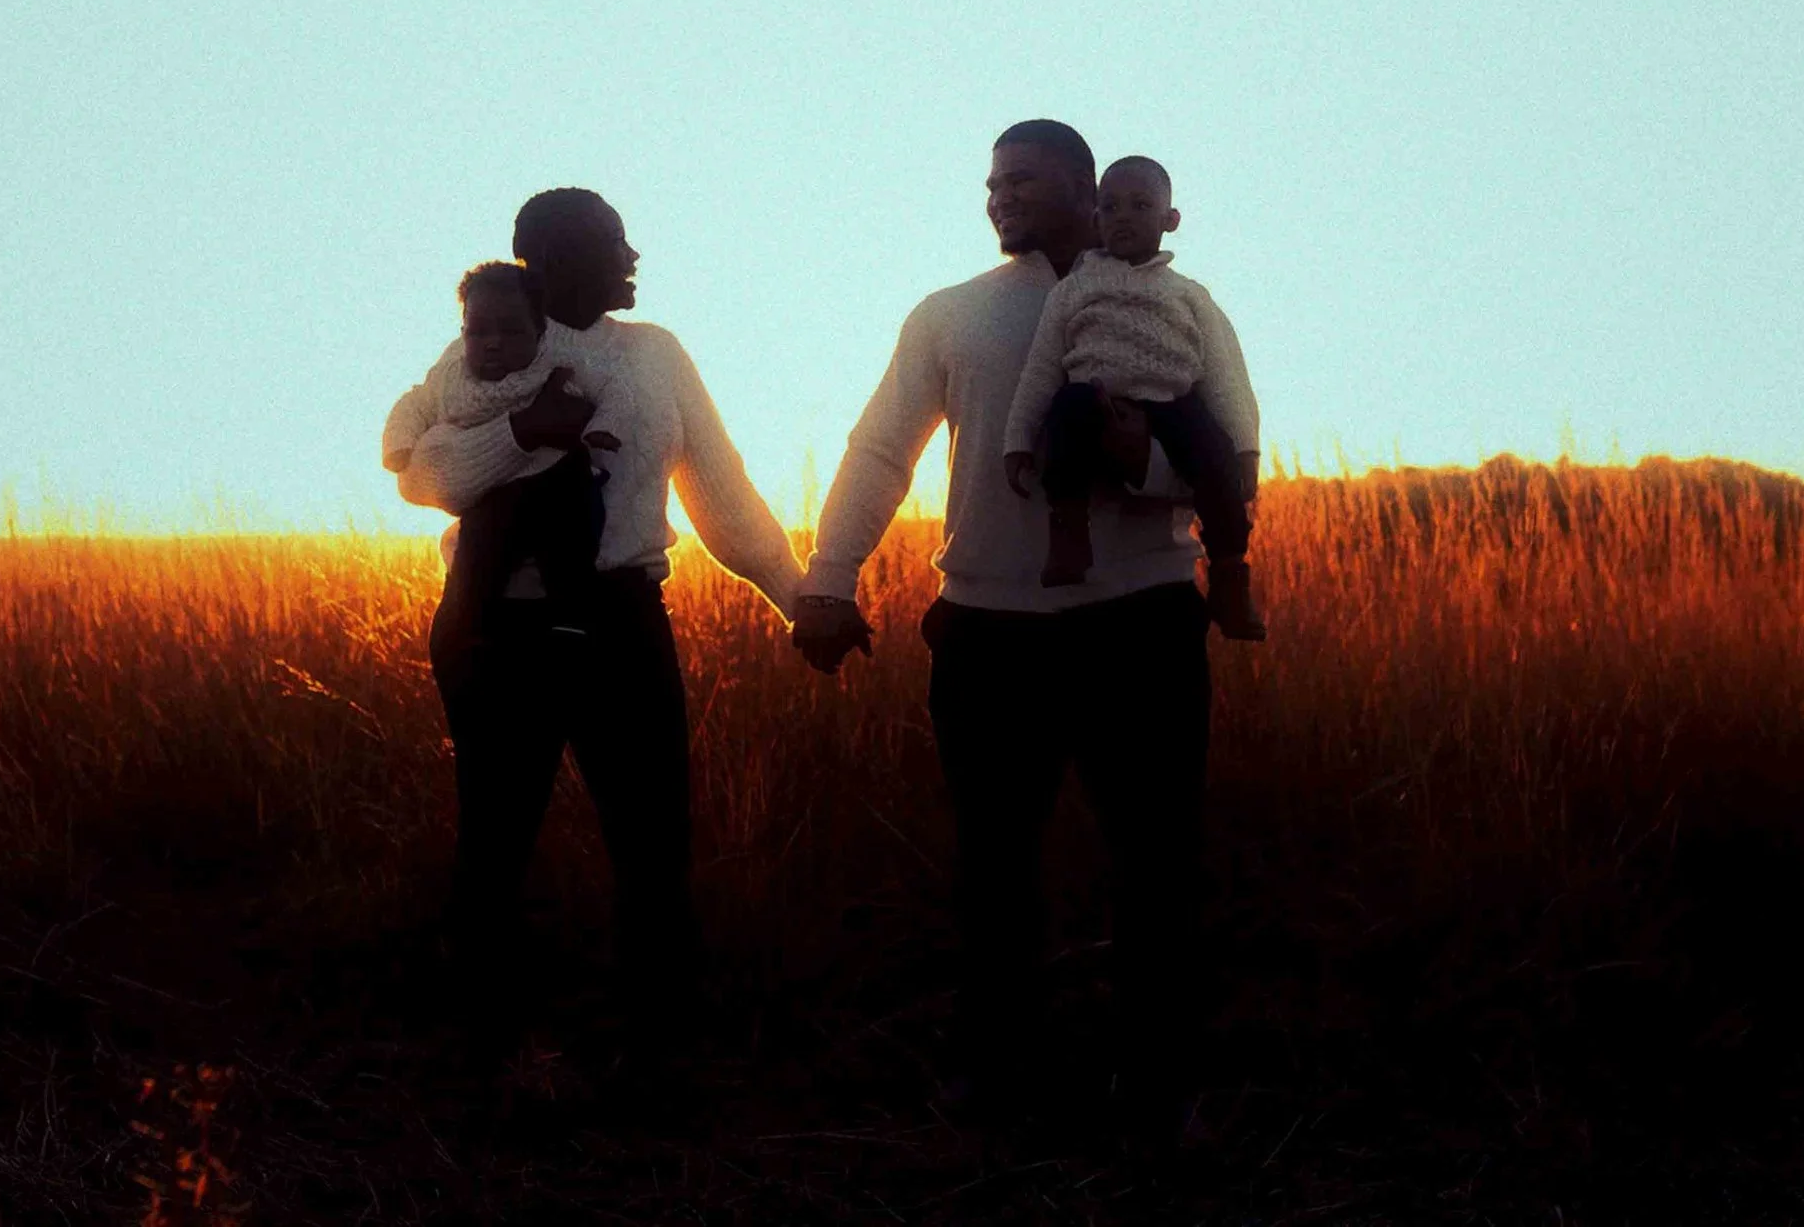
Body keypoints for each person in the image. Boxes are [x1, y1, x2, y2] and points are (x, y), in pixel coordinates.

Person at [791, 121, 1243, 1137]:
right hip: (990, 629)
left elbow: (1229, 456)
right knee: (995, 864)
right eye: (991, 182)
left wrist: (1144, 466)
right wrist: (828, 578)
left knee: (1156, 860)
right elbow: (877, 454)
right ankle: (1000, 1071)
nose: (997, 197)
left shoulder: (1178, 308)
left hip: (1142, 622)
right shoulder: (952, 317)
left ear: (1088, 190)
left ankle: (1157, 1081)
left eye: (1021, 181)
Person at [391, 189, 802, 1043]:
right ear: (559, 262)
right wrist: (525, 430)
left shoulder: (655, 356)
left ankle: (661, 1032)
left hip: (621, 622)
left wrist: (800, 599)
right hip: (495, 631)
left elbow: (721, 497)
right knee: (495, 837)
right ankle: (483, 1035)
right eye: (616, 242)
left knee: (654, 839)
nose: (635, 257)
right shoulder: (490, 347)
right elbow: (422, 477)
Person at [1001, 154, 1266, 640]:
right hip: (1093, 397)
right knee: (1064, 415)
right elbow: (1041, 367)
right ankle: (1069, 535)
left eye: (1140, 205)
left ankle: (1229, 577)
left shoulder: (1188, 295)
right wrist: (1016, 440)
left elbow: (1226, 377)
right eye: (1111, 206)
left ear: (1170, 220)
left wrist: (1245, 448)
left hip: (1173, 402)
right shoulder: (1074, 290)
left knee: (1213, 457)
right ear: (1096, 217)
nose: (1124, 216)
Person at [382, 260, 624, 661]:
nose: (493, 343)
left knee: (572, 535)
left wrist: (602, 426)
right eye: (479, 331)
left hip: (555, 482)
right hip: (493, 497)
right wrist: (399, 446)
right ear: (463, 334)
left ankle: (572, 619)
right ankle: (474, 626)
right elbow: (413, 406)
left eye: (511, 331)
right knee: (478, 548)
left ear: (538, 332)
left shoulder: (552, 368)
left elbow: (606, 392)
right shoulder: (448, 379)